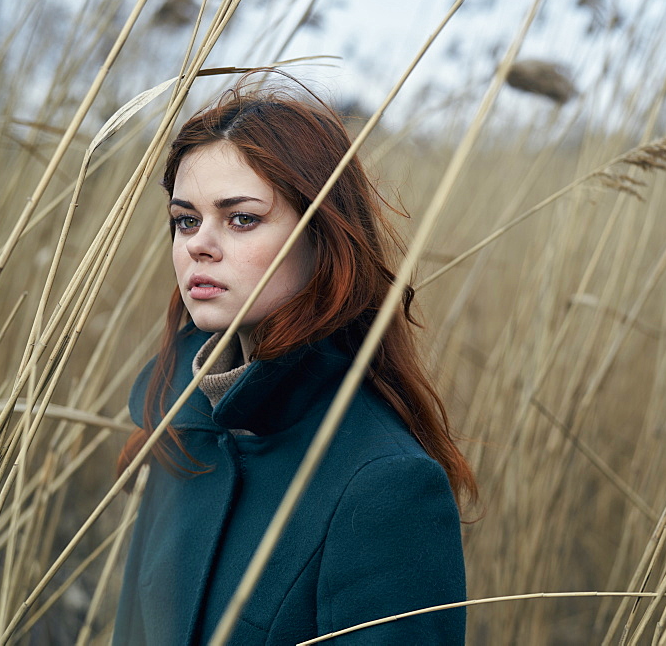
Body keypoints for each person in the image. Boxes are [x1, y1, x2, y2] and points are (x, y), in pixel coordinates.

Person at [112, 77, 476, 645]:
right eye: (186, 220)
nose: (199, 245)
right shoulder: (180, 426)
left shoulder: (385, 485)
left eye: (242, 219)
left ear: (322, 239)